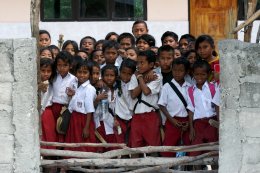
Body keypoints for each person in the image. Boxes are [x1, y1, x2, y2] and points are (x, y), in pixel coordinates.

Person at [128, 50, 161, 152]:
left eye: (142, 63)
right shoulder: (135, 76)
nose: (139, 65)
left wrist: (141, 79)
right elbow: (133, 94)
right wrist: (143, 79)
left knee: (152, 146)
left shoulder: (157, 76)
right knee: (135, 146)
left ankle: (154, 167)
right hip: (136, 116)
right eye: (138, 62)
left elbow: (146, 91)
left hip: (150, 115)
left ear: (151, 64)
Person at [158, 58, 191, 157]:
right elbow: (161, 105)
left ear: (186, 72)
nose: (177, 73)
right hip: (172, 121)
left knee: (188, 147)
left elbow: (192, 107)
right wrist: (172, 120)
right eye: (175, 70)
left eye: (181, 70)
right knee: (168, 148)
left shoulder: (189, 87)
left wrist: (189, 122)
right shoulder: (167, 87)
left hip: (187, 122)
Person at [187, 60, 220, 159]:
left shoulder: (213, 87)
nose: (199, 77)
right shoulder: (190, 90)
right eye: (197, 74)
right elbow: (191, 110)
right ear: (193, 74)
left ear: (208, 74)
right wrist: (191, 128)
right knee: (195, 152)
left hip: (212, 122)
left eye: (203, 74)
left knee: (213, 151)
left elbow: (218, 106)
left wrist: (218, 124)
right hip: (198, 124)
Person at [65, 61, 97, 152]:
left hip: (84, 120)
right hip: (74, 118)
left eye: (85, 72)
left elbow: (90, 110)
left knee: (84, 145)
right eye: (79, 72)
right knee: (73, 143)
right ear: (76, 73)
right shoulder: (75, 85)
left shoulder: (90, 89)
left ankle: (88, 165)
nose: (82, 75)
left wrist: (86, 127)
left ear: (89, 74)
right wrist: (71, 96)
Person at [50, 51, 77, 142]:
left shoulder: (74, 79)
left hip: (65, 108)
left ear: (70, 66)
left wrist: (73, 95)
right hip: (53, 107)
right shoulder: (53, 77)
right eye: (59, 65)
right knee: (53, 129)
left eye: (65, 65)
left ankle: (61, 150)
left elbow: (76, 94)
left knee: (62, 128)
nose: (61, 68)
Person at [94, 65, 118, 152]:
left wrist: (116, 118)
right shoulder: (99, 89)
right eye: (106, 75)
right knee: (101, 146)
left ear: (116, 77)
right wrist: (98, 98)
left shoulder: (117, 90)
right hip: (102, 122)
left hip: (114, 122)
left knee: (113, 147)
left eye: (112, 75)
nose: (109, 78)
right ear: (102, 76)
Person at [114, 59, 136, 145]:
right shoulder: (116, 83)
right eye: (123, 73)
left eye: (129, 74)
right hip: (120, 117)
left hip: (132, 117)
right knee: (120, 140)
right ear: (119, 72)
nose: (126, 76)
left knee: (132, 140)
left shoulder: (136, 84)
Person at [40, 58, 55, 148]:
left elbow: (45, 101)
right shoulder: (35, 84)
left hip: (46, 113)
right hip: (38, 113)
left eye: (48, 71)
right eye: (43, 71)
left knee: (48, 134)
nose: (46, 74)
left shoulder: (50, 85)